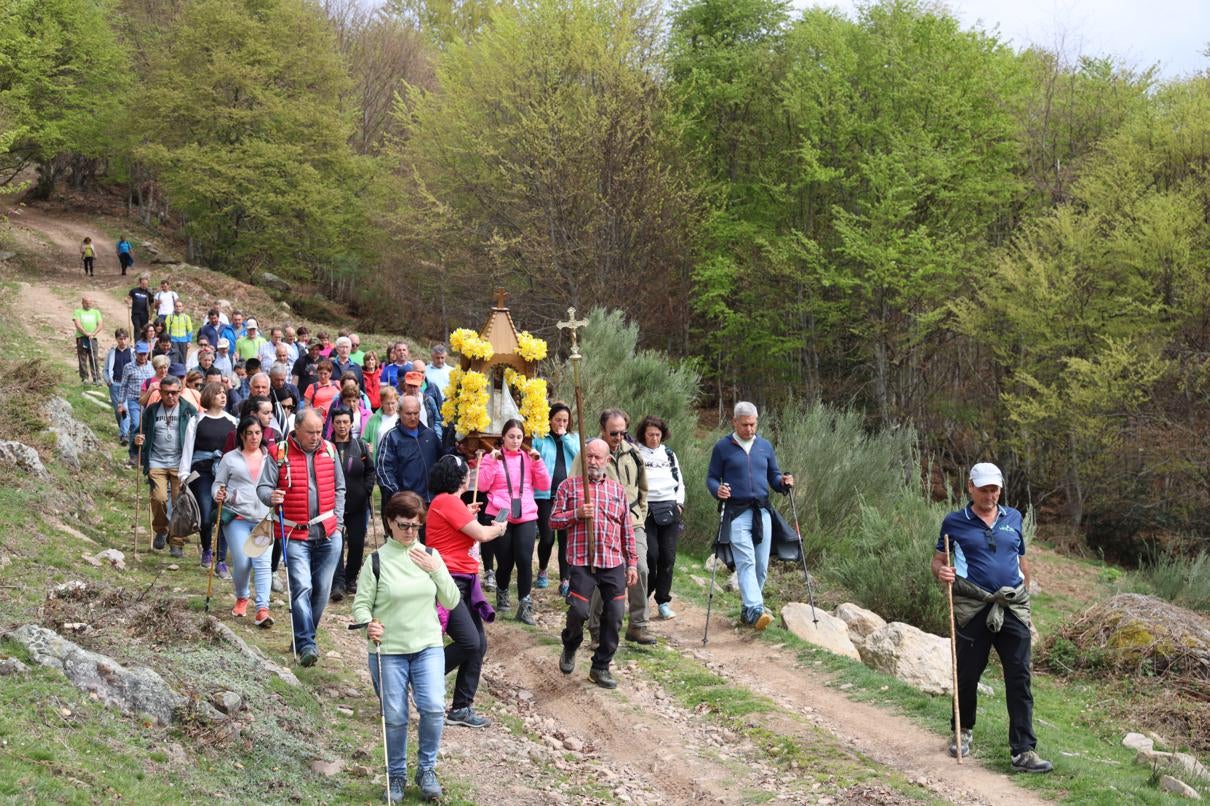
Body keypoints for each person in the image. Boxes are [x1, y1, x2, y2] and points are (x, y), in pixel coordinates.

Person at [934, 463, 1052, 773]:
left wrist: (1025, 595)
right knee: (968, 674)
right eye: (984, 488)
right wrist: (942, 572)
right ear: (970, 487)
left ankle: (1023, 751)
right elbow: (938, 560)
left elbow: (1020, 558)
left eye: (995, 488)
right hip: (974, 607)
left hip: (1011, 606)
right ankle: (964, 731)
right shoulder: (954, 522)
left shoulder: (1013, 518)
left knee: (1019, 677)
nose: (990, 494)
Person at [352, 491, 458, 802]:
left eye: (415, 525)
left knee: (434, 708)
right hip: (389, 649)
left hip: (427, 645)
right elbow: (360, 606)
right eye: (403, 525)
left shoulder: (430, 555)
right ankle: (396, 775)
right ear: (389, 523)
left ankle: (427, 769)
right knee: (396, 715)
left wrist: (435, 569)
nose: (410, 532)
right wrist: (368, 623)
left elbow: (451, 600)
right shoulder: (376, 562)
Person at [257, 409, 345, 667]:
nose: (316, 437)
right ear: (296, 429)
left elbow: (340, 487)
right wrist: (270, 496)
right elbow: (263, 487)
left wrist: (338, 522)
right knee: (302, 588)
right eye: (311, 432)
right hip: (295, 533)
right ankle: (306, 643)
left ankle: (304, 635)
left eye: (319, 431)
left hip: (329, 533)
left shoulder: (329, 450)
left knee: (321, 592)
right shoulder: (279, 453)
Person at [424, 454, 507, 729]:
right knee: (469, 642)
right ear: (462, 478)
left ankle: (462, 706)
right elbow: (482, 535)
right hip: (449, 579)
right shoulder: (447, 501)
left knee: (479, 644)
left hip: (462, 577)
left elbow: (458, 529)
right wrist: (499, 528)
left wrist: (467, 514)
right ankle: (423, 678)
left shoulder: (448, 502)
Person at [551, 438, 638, 689]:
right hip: (581, 562)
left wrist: (631, 562)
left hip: (612, 562)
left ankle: (601, 666)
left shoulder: (617, 490)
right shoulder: (569, 487)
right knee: (578, 610)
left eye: (598, 457)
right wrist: (576, 514)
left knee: (615, 616)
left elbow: (627, 530)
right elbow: (553, 521)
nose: (592, 461)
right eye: (589, 456)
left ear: (607, 461)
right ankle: (571, 643)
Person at [706, 401, 794, 631]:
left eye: (753, 424)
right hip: (735, 513)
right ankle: (756, 609)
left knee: (761, 566)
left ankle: (747, 612)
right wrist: (718, 490)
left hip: (762, 512)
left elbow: (773, 476)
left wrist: (783, 483)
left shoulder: (764, 446)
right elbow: (712, 477)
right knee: (746, 561)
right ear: (734, 422)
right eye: (745, 424)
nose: (749, 429)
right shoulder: (722, 447)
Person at [578, 409, 653, 645]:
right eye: (613, 433)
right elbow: (574, 486)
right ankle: (596, 628)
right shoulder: (589, 453)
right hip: (603, 523)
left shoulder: (634, 453)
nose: (618, 437)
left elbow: (643, 487)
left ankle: (638, 625)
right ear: (603, 429)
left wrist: (640, 513)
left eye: (623, 432)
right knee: (605, 574)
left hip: (632, 520)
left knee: (640, 567)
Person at [476, 419, 550, 624]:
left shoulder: (529, 458)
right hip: (499, 512)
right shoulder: (495, 457)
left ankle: (525, 605)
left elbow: (544, 485)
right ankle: (502, 591)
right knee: (505, 561)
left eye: (519, 437)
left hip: (525, 512)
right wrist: (491, 462)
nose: (515, 441)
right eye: (511, 436)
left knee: (525, 559)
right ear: (503, 437)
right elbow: (482, 486)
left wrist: (539, 462)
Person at [214, 415, 275, 626]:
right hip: (237, 516)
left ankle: (262, 609)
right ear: (242, 435)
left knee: (262, 563)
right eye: (249, 433)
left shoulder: (271, 458)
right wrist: (218, 494)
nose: (254, 437)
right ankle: (242, 596)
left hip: (263, 518)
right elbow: (218, 484)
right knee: (241, 561)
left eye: (258, 433)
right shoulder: (230, 458)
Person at [135, 375, 197, 556]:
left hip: (181, 463)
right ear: (160, 393)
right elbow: (139, 432)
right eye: (167, 393)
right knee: (159, 498)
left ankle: (176, 541)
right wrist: (137, 440)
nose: (171, 396)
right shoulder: (152, 411)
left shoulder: (188, 410)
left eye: (174, 393)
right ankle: (161, 530)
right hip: (156, 461)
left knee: (180, 504)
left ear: (180, 392)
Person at [179, 382, 237, 575]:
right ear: (209, 397)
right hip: (202, 472)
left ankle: (220, 559)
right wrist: (183, 475)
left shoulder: (232, 421)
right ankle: (206, 549)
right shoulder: (197, 420)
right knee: (205, 516)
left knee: (222, 516)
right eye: (218, 393)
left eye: (224, 393)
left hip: (225, 473)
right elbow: (188, 448)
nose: (223, 396)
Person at [636, 415, 684, 620]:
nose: (654, 438)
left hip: (669, 507)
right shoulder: (637, 453)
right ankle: (643, 598)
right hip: (646, 509)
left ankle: (663, 601)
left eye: (657, 434)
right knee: (650, 556)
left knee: (668, 557)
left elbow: (679, 481)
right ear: (643, 435)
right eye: (650, 435)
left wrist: (679, 503)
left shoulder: (669, 454)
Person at [329, 406, 376, 601]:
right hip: (332, 505)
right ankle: (337, 583)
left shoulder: (361, 446)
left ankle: (350, 579)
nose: (342, 426)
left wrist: (366, 490)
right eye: (338, 422)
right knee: (336, 545)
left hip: (357, 505)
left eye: (345, 422)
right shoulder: (326, 446)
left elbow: (371, 471)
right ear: (332, 423)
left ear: (351, 424)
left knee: (356, 544)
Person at [532, 403, 578, 596]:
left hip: (567, 496)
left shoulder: (573, 438)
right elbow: (534, 459)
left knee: (566, 540)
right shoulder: (541, 439)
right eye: (557, 419)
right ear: (549, 420)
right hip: (545, 495)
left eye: (565, 420)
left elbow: (579, 456)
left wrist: (565, 437)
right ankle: (543, 569)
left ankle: (565, 579)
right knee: (548, 537)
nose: (561, 423)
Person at [376, 395, 442, 507]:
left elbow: (442, 462)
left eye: (416, 413)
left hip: (433, 501)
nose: (413, 417)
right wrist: (398, 495)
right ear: (399, 412)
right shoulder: (391, 438)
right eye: (408, 414)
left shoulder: (430, 435)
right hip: (408, 504)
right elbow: (383, 470)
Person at [118, 341, 155, 466]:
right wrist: (121, 403)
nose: (143, 357)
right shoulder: (128, 367)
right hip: (134, 400)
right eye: (140, 354)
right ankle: (133, 454)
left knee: (146, 427)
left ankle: (144, 454)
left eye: (145, 354)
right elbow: (123, 386)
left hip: (149, 400)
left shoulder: (151, 366)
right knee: (136, 424)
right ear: (136, 354)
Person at [104, 328, 135, 446]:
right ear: (116, 339)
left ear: (128, 339)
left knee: (124, 409)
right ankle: (123, 429)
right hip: (115, 384)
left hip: (127, 385)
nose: (122, 341)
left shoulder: (132, 352)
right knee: (118, 411)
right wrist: (108, 380)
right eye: (120, 339)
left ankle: (124, 435)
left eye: (124, 338)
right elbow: (106, 369)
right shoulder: (112, 353)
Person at [362, 387, 399, 463]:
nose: (390, 406)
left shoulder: (401, 418)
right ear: (381, 403)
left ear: (397, 402)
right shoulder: (373, 419)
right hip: (379, 461)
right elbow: (364, 439)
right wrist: (367, 446)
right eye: (387, 403)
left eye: (393, 403)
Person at [72, 297, 103, 385]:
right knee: (82, 358)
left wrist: (93, 334)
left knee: (94, 358)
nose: (89, 304)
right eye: (87, 303)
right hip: (82, 337)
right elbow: (77, 324)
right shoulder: (78, 312)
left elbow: (100, 324)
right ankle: (84, 378)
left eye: (90, 303)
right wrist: (86, 333)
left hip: (93, 338)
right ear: (82, 303)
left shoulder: (96, 312)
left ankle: (96, 378)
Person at [164, 299, 193, 366]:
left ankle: (183, 374)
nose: (178, 308)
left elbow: (190, 330)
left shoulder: (186, 317)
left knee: (183, 358)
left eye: (180, 306)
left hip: (184, 341)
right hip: (173, 340)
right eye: (176, 306)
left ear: (182, 307)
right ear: (174, 307)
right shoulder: (170, 317)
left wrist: (189, 341)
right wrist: (168, 340)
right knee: (174, 357)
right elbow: (166, 330)